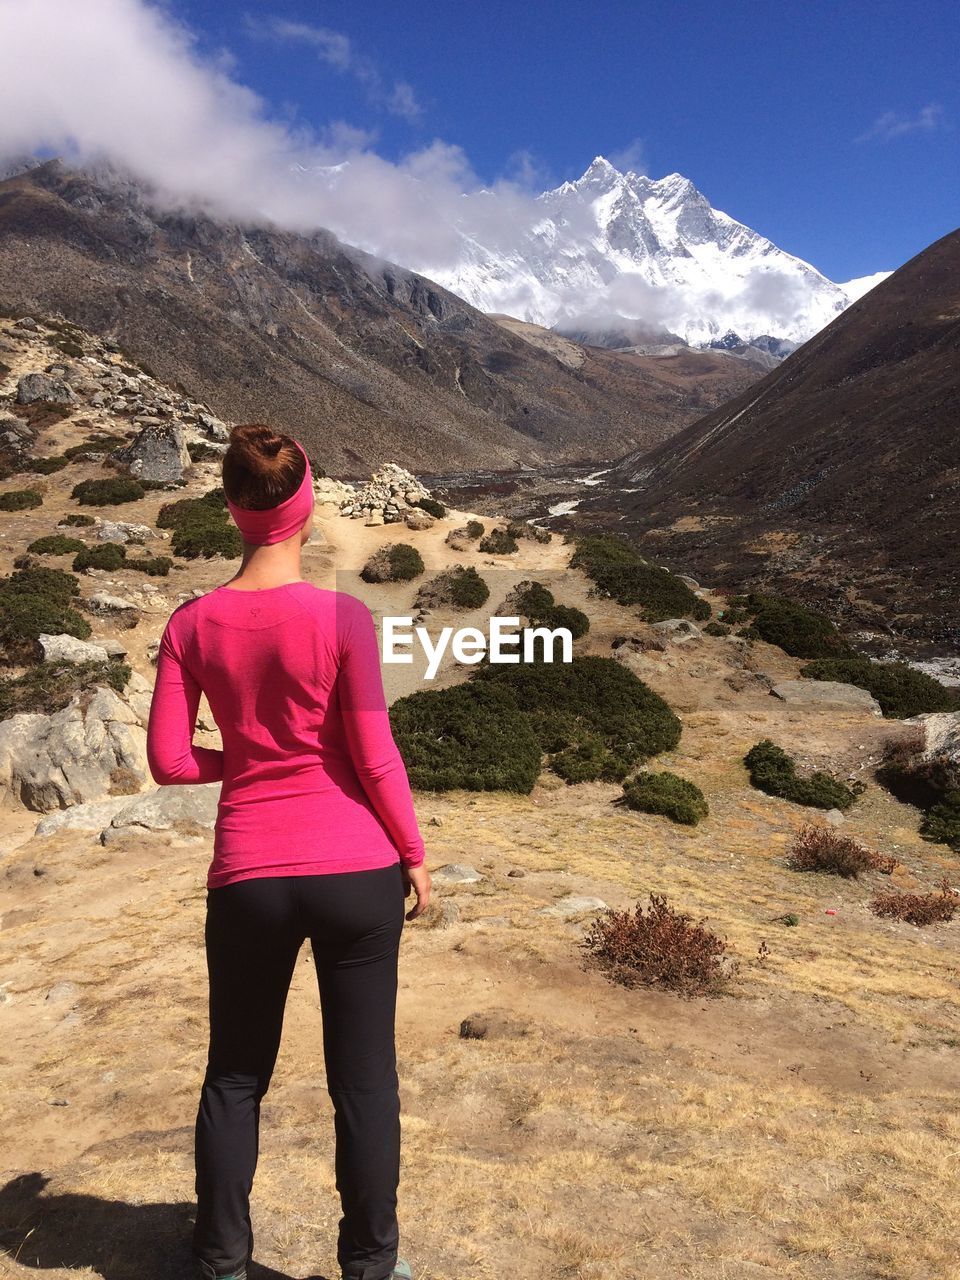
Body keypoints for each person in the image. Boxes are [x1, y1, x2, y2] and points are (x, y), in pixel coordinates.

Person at [145, 423, 431, 1280]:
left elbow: (168, 760)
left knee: (234, 1076)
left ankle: (223, 1261)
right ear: (305, 507)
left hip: (248, 876)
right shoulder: (342, 616)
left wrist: (253, 761)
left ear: (233, 510)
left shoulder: (190, 625)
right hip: (356, 870)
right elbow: (375, 756)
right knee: (365, 1083)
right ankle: (371, 1267)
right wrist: (412, 853)